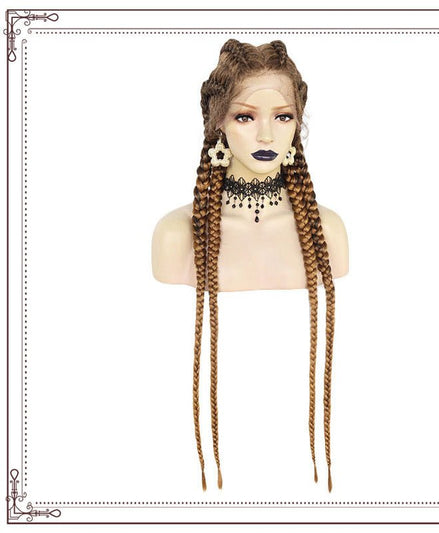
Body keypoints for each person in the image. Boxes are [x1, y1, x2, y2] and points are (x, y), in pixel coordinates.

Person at [151, 39, 348, 492]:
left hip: (300, 479)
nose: (266, 136)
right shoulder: (177, 236)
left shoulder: (328, 232)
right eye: (245, 117)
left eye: (283, 117)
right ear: (217, 121)